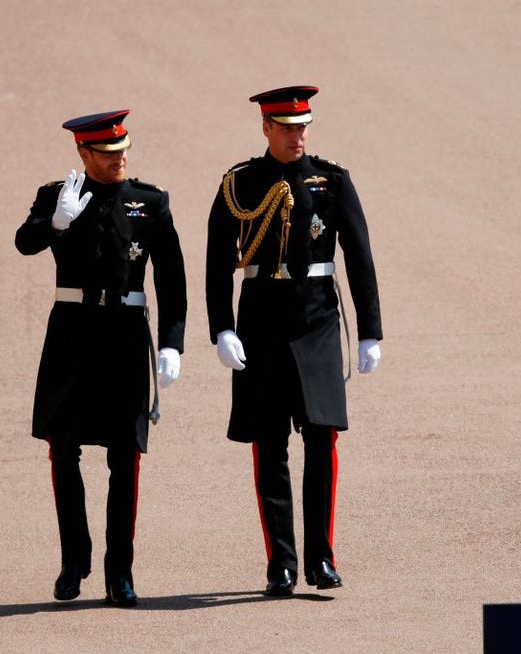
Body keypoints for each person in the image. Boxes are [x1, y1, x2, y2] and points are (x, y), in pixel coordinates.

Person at [205, 86, 383, 596]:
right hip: (260, 322)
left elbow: (360, 256)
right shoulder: (240, 184)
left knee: (323, 438)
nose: (297, 136)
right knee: (269, 443)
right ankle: (281, 562)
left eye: (303, 126)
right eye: (286, 127)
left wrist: (371, 331)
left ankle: (320, 558)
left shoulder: (332, 180)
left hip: (316, 320)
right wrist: (221, 326)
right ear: (266, 128)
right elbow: (218, 262)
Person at [15, 110, 187, 607]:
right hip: (72, 335)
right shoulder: (57, 196)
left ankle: (120, 571)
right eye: (108, 154)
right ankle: (74, 561)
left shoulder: (149, 202)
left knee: (124, 456)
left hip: (125, 335)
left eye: (123, 151)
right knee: (63, 448)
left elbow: (171, 279)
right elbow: (24, 243)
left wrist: (172, 342)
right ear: (83, 154)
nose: (119, 160)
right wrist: (56, 222)